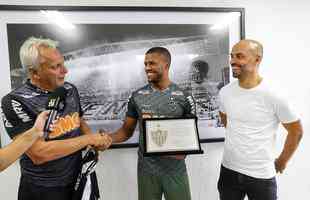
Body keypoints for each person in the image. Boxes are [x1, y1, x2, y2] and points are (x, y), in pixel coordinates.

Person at [1, 37, 112, 200]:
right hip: (42, 189)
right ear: (34, 73)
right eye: (56, 67)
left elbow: (79, 121)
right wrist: (89, 138)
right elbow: (39, 154)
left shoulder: (69, 88)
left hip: (78, 180)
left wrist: (96, 143)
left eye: (63, 63)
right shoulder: (14, 100)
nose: (65, 71)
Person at [217, 39, 303, 200]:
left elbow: (296, 131)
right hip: (228, 170)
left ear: (257, 59)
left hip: (261, 175)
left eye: (240, 56)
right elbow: (225, 120)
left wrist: (282, 161)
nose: (233, 61)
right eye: (232, 56)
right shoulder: (225, 92)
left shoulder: (274, 94)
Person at [107, 47, 196, 200]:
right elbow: (126, 131)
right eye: (145, 64)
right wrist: (107, 138)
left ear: (166, 65)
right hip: (146, 170)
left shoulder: (184, 97)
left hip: (175, 170)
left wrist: (184, 151)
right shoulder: (137, 96)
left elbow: (190, 136)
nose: (147, 68)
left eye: (152, 63)